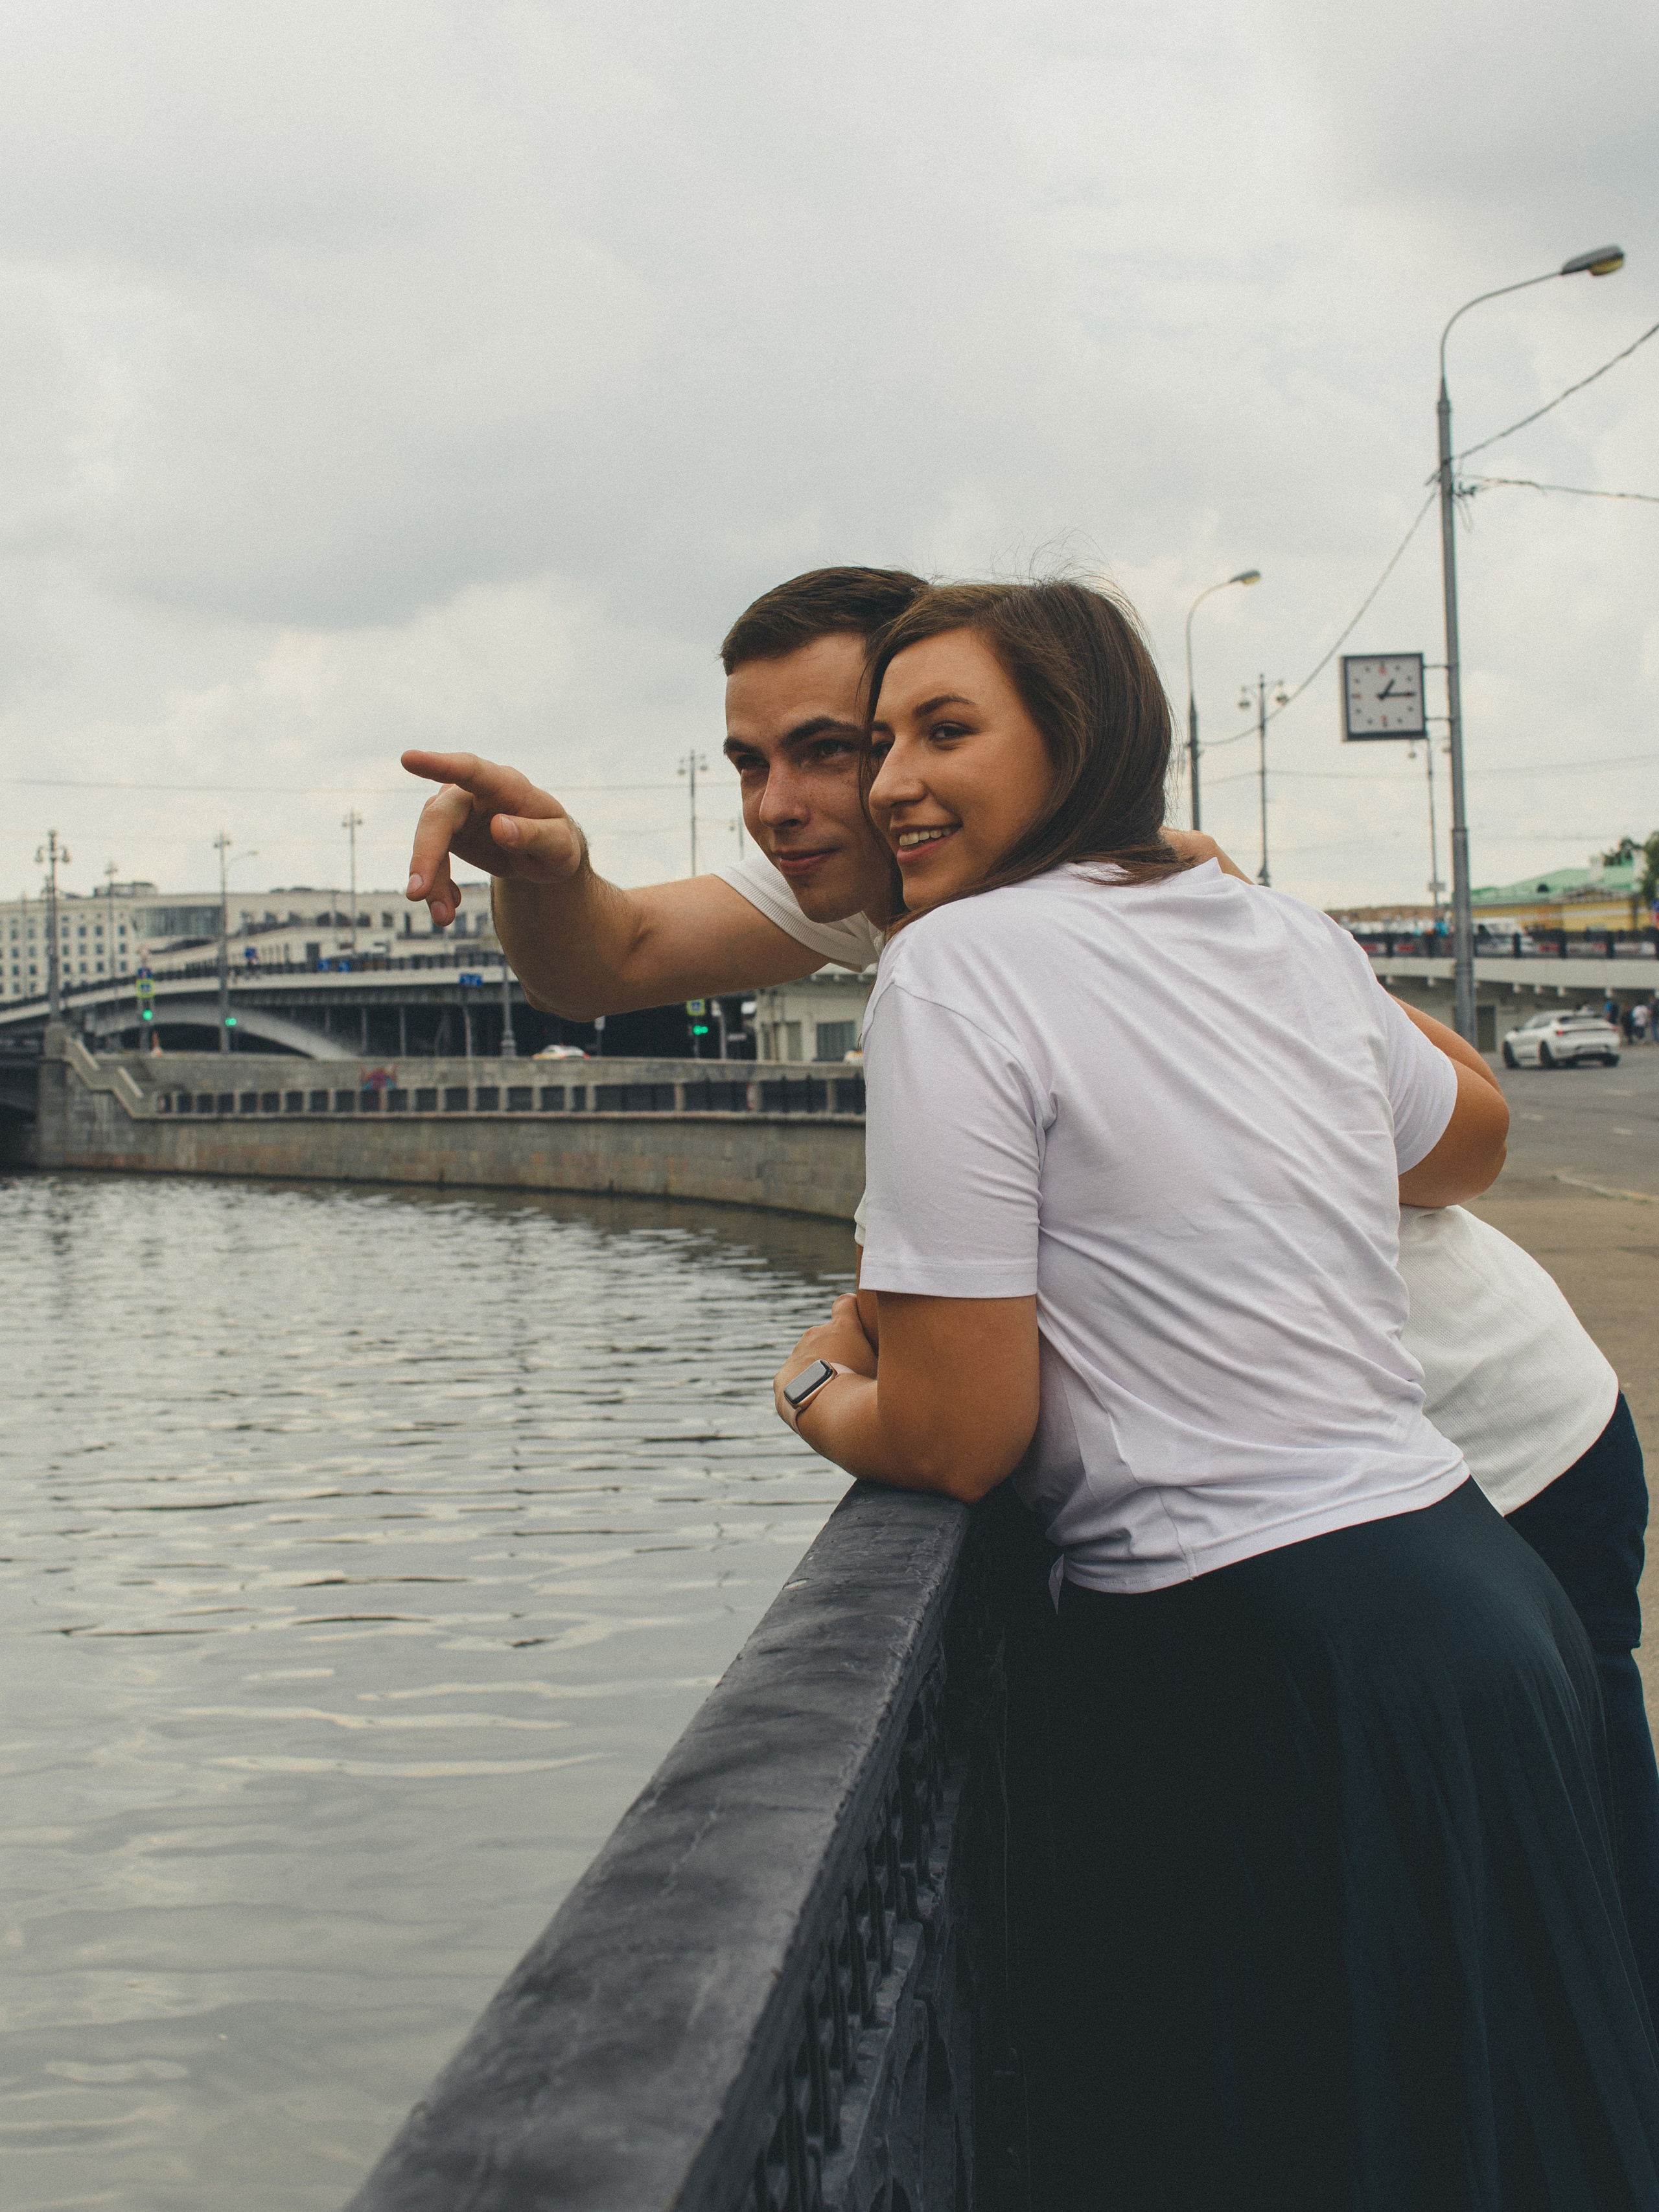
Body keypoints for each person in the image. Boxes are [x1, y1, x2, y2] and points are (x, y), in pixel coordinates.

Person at [400, 566, 1659, 2020]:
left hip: (1493, 1448)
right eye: (756, 761)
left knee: (1558, 1941)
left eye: (844, 745)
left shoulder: (1078, 917)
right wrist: (544, 870)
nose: (796, 800)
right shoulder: (909, 905)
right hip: (1342, 1541)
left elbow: (1466, 1138)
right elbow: (612, 957)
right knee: (1498, 1980)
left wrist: (1253, 963)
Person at [772, 577, 1659, 2207]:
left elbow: (961, 1437)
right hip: (1477, 1598)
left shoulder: (953, 967)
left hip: (1258, 1657)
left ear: (1077, 740)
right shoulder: (1278, 930)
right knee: (1527, 2140)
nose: (890, 780)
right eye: (880, 740)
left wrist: (820, 1385)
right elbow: (1452, 1145)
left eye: (945, 731)